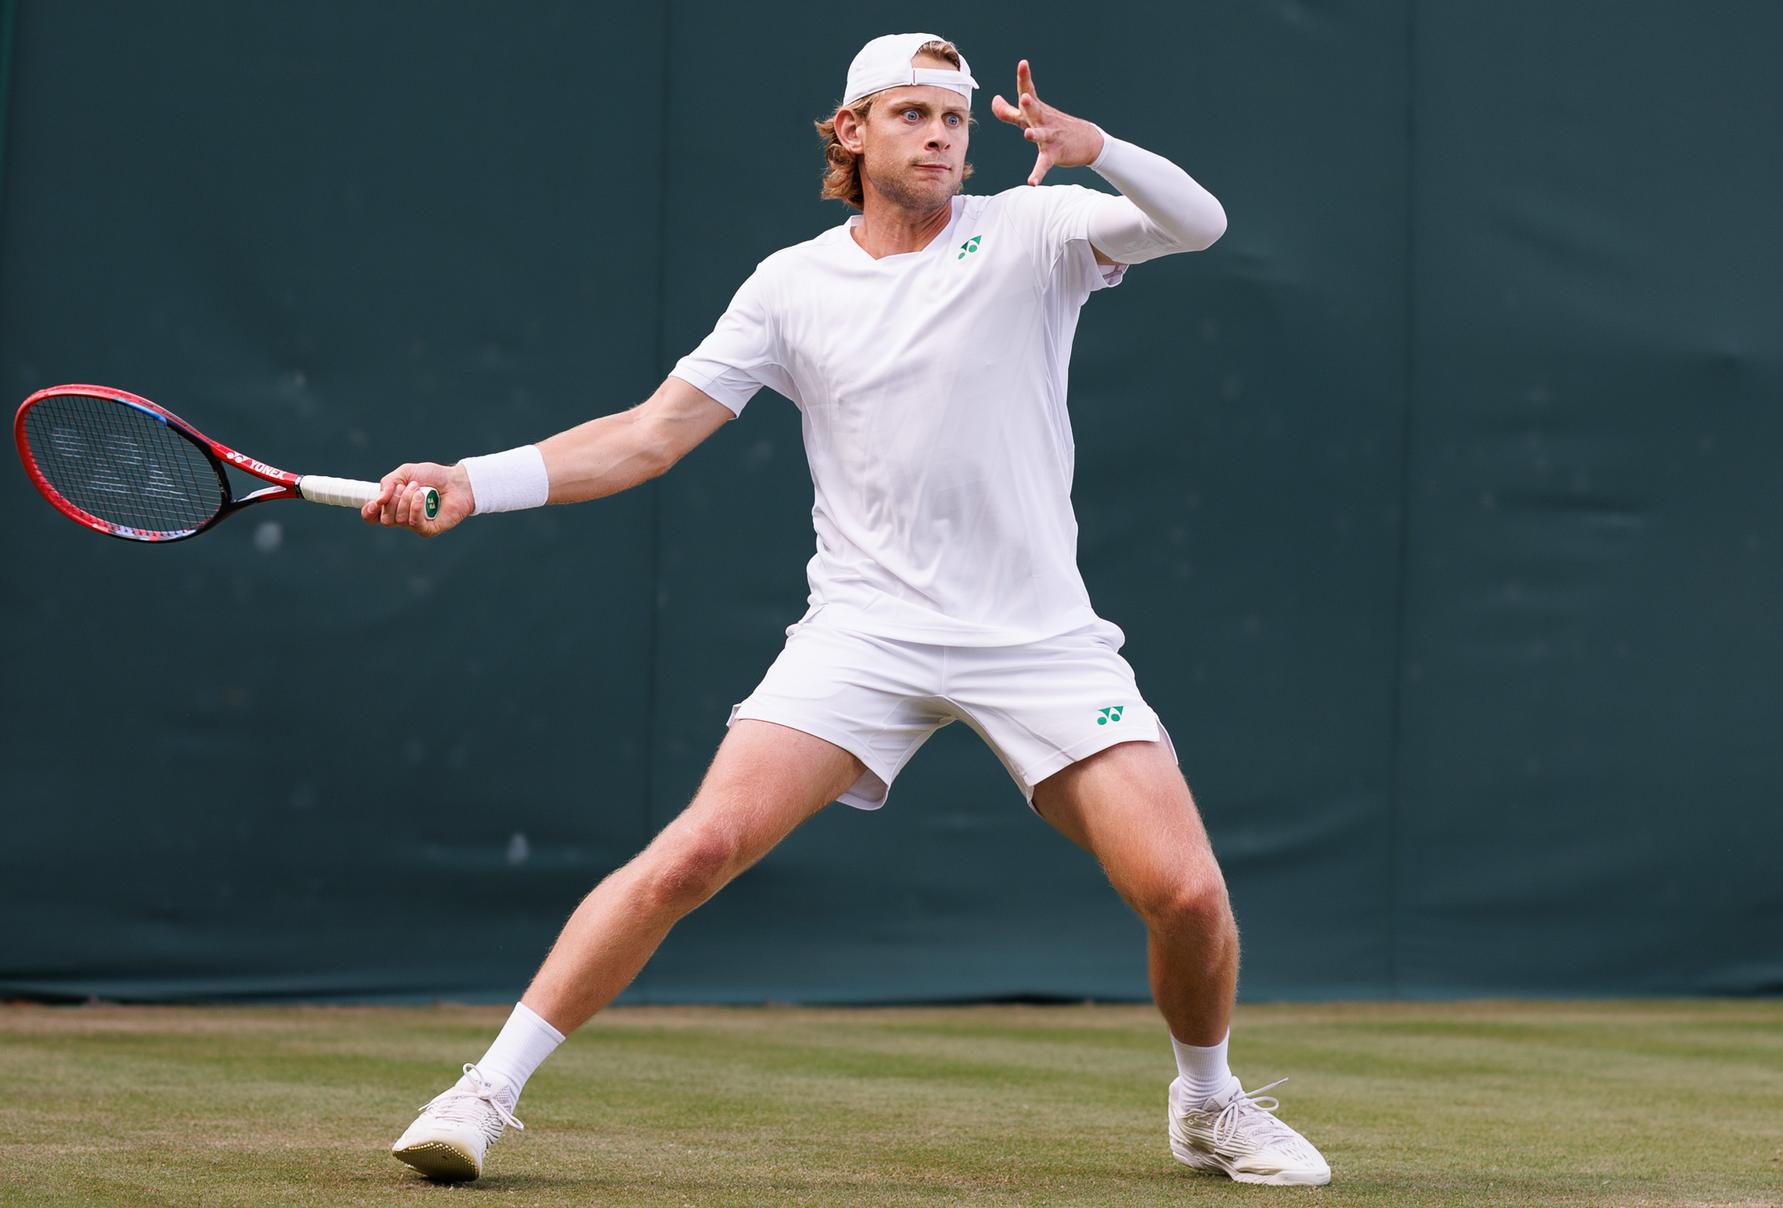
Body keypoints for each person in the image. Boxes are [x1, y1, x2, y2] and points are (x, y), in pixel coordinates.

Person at [371, 32, 1330, 1189]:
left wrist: (1102, 149)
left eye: (956, 118)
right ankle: (481, 1092)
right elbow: (646, 435)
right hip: (865, 632)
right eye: (913, 113)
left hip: (1036, 636)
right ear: (850, 132)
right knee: (696, 850)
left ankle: (1209, 1102)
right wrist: (476, 481)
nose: (940, 135)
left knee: (1184, 892)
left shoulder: (1035, 232)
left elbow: (1201, 223)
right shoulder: (791, 284)